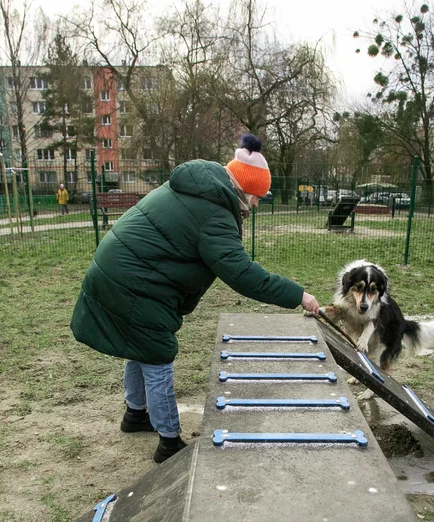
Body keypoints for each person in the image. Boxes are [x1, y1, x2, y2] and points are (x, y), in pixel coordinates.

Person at [71, 135, 320, 463]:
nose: (259, 204)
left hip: (116, 269)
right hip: (133, 280)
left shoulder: (201, 188)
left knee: (138, 345)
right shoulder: (214, 212)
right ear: (245, 188)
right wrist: (298, 295)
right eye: (259, 196)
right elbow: (242, 274)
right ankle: (169, 441)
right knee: (157, 352)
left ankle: (135, 414)